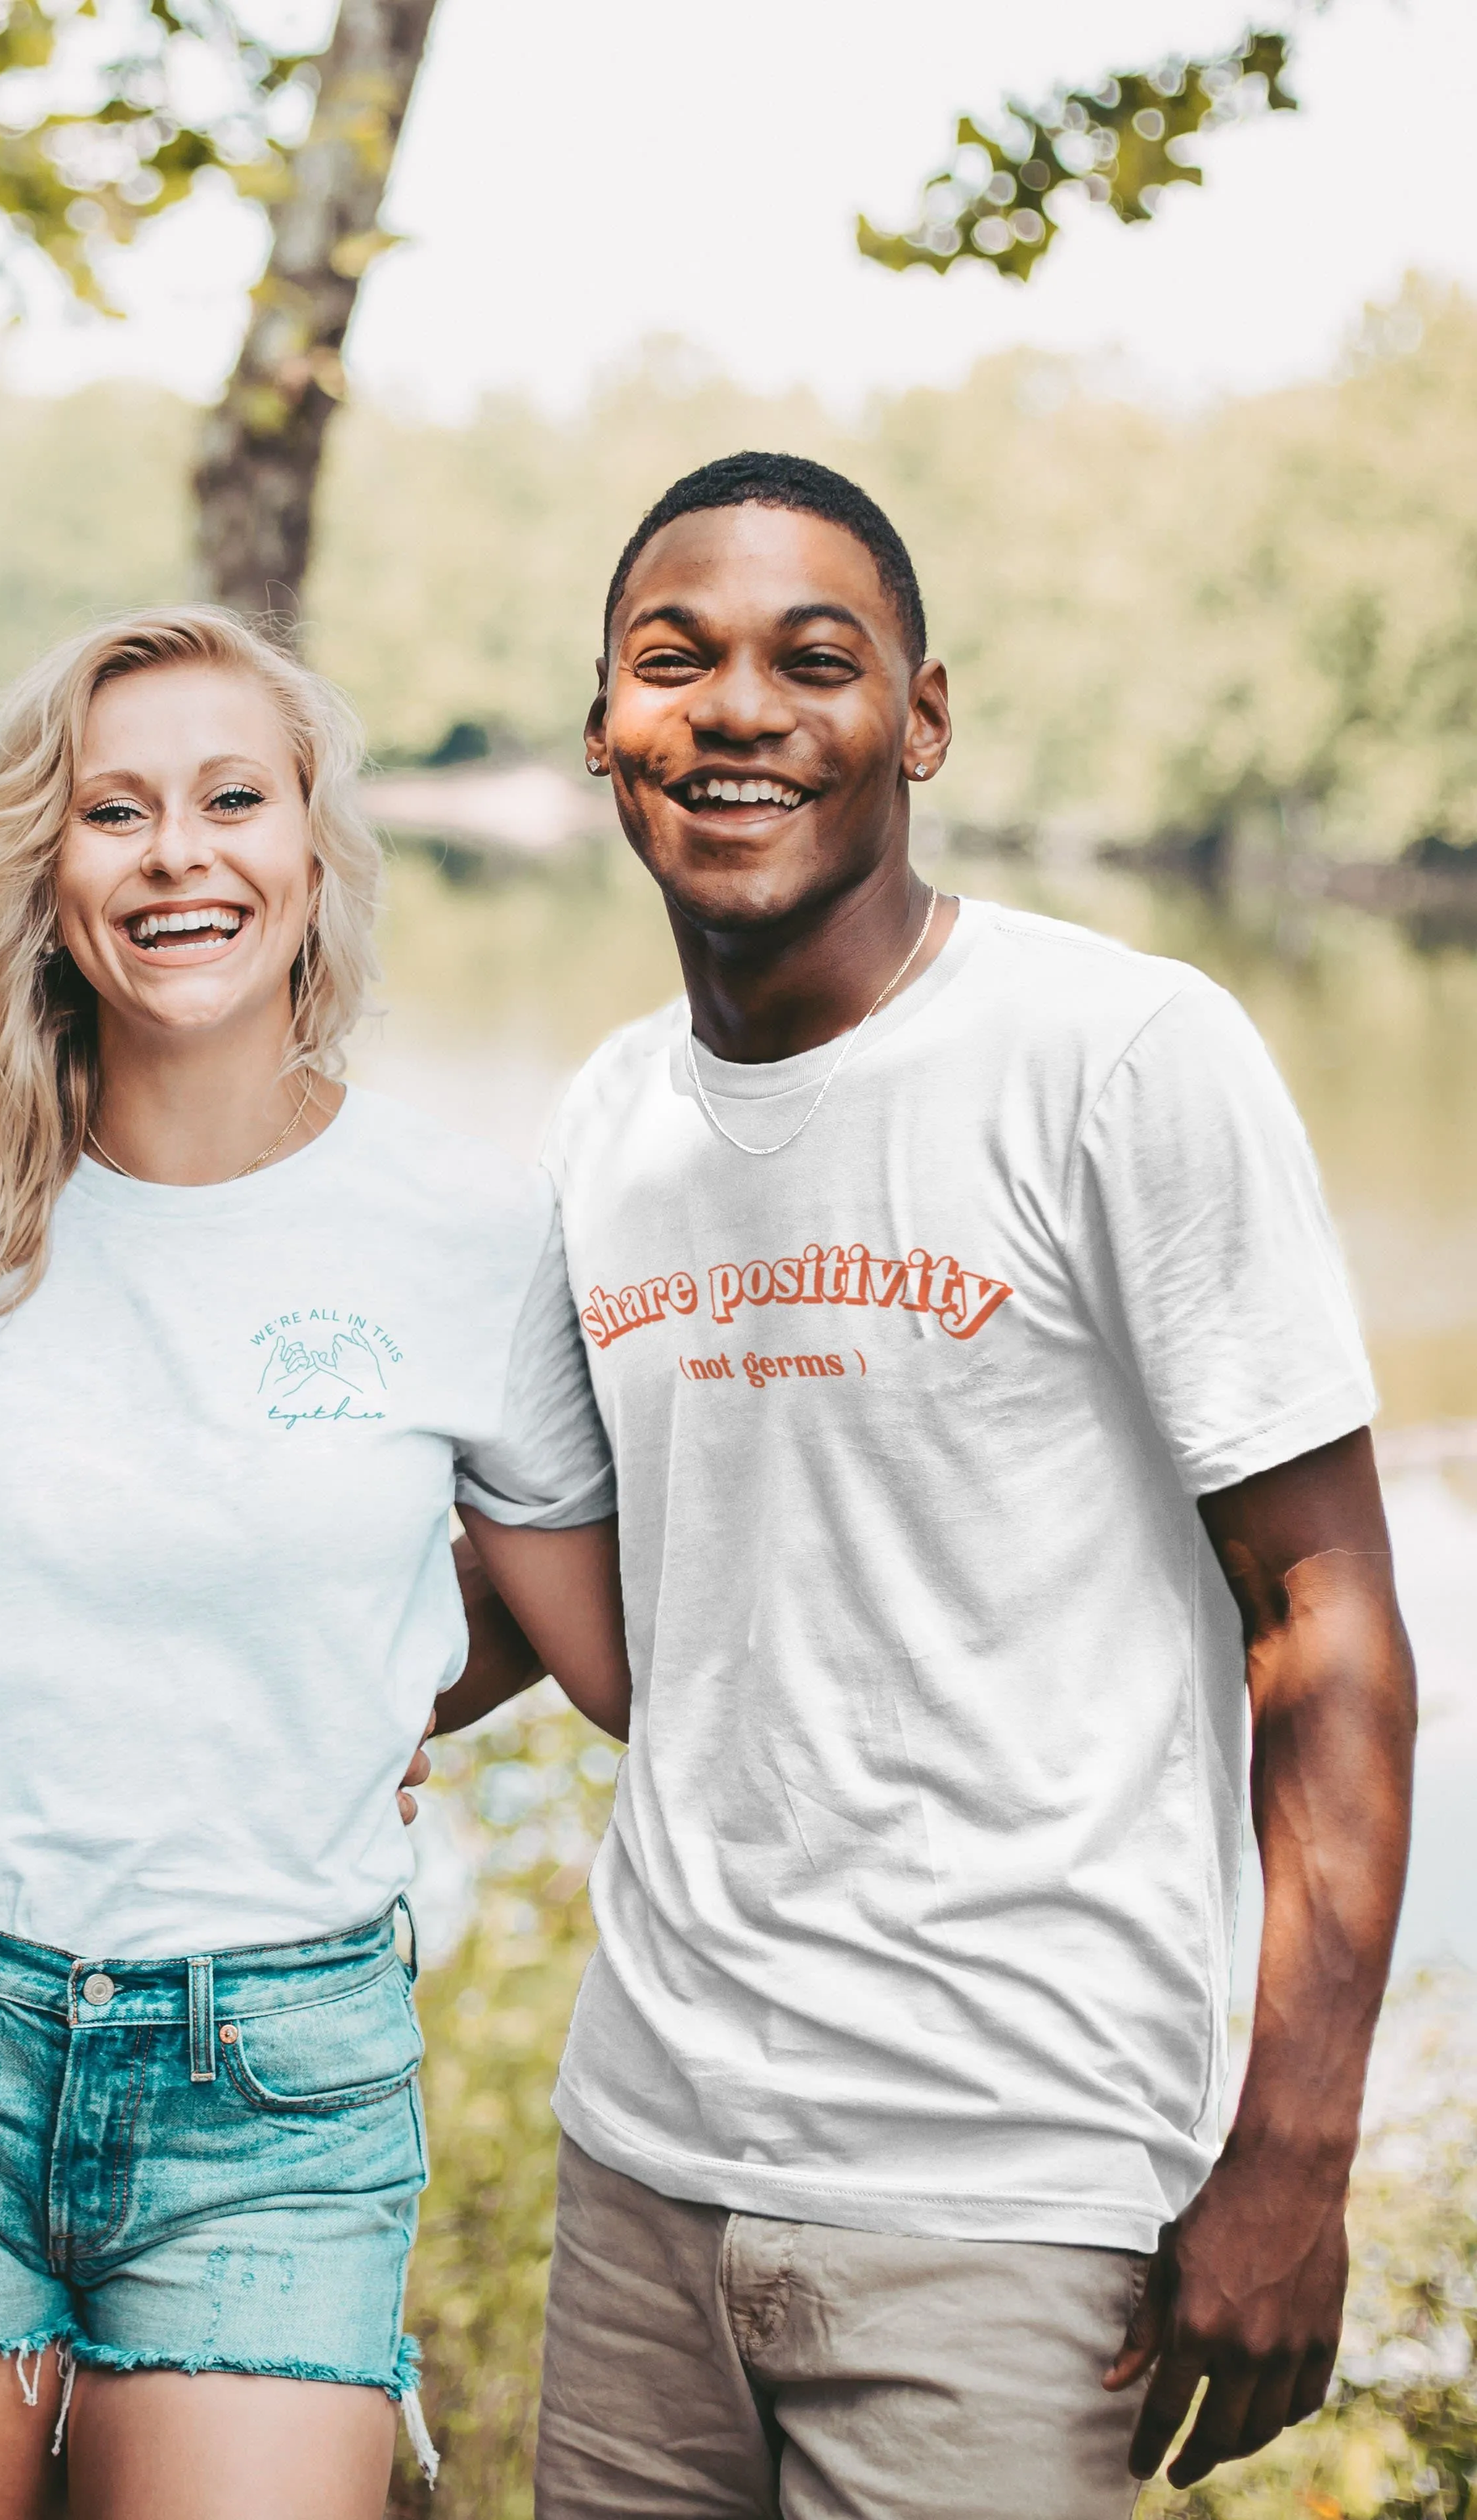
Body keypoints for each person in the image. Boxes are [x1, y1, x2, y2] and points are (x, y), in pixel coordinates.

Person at [517, 450, 1417, 2516]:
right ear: (602, 730)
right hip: (645, 2161)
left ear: (922, 718)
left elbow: (1330, 1616)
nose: (737, 711)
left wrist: (1291, 2153)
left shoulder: (1118, 1055)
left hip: (1007, 2188)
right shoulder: (607, 1121)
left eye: (813, 661)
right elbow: (575, 1594)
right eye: (676, 662)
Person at [0, 606, 631, 2520]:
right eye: (116, 812)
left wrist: (365, 1692)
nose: (181, 854)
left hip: (272, 2081)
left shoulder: (472, 1227)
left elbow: (601, 1644)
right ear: (48, 867)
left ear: (317, 857)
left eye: (235, 799)